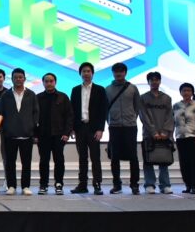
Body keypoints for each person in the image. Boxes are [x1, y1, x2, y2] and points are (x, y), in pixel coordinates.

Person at [69, 62, 106, 195]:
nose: (86, 73)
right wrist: (72, 128)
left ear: (92, 73)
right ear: (80, 74)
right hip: (80, 128)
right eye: (83, 71)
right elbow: (72, 110)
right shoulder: (75, 90)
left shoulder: (100, 90)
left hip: (94, 129)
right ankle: (82, 184)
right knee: (82, 158)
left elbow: (103, 111)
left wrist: (100, 129)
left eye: (88, 71)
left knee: (95, 157)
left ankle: (97, 184)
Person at [0, 68, 39, 196]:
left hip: (27, 134)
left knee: (26, 163)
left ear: (24, 79)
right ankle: (11, 186)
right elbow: (1, 113)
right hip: (10, 135)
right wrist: (5, 129)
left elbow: (36, 113)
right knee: (10, 163)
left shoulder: (31, 94)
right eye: (15, 77)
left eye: (20, 77)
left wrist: (32, 128)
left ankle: (25, 186)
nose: (18, 79)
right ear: (11, 79)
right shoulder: (6, 95)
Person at [105, 62, 141, 195]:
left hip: (130, 126)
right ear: (113, 73)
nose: (118, 74)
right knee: (114, 157)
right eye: (116, 71)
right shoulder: (107, 89)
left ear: (125, 73)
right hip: (114, 127)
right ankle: (117, 185)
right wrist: (110, 120)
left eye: (121, 71)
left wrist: (131, 118)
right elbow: (105, 108)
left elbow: (137, 107)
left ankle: (134, 184)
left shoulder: (133, 88)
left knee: (133, 156)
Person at [35, 73, 73, 195]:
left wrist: (66, 133)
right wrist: (35, 135)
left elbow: (69, 116)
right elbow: (34, 117)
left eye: (51, 81)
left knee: (59, 161)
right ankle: (43, 184)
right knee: (44, 161)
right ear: (43, 83)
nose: (49, 83)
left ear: (55, 82)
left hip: (59, 135)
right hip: (43, 135)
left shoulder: (63, 97)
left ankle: (59, 184)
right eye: (46, 81)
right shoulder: (38, 98)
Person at [139, 72, 174, 195]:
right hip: (149, 134)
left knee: (164, 159)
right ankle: (149, 184)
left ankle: (165, 185)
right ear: (148, 82)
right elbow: (143, 116)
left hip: (164, 135)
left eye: (157, 80)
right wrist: (153, 131)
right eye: (152, 80)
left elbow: (170, 116)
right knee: (148, 160)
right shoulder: (143, 98)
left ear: (160, 81)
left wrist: (165, 131)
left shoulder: (167, 98)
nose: (154, 82)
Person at [173, 83, 195, 194]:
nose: (186, 92)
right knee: (184, 162)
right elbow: (173, 122)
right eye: (184, 90)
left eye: (188, 90)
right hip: (180, 137)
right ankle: (187, 185)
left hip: (194, 137)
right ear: (180, 92)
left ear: (192, 92)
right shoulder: (176, 106)